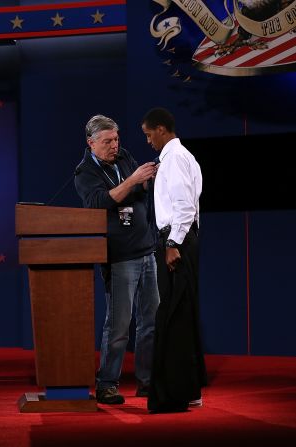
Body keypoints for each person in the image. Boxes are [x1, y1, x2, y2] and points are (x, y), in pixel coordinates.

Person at [74, 115, 160, 404]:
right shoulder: (85, 172)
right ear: (91, 143)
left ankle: (147, 382)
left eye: (116, 140)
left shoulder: (124, 157)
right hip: (119, 256)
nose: (114, 146)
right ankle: (107, 383)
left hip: (146, 250)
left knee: (150, 322)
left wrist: (148, 181)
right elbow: (99, 203)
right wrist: (134, 180)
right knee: (120, 325)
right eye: (108, 141)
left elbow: (138, 191)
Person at [141, 107, 207, 412]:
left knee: (173, 315)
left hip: (176, 241)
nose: (148, 140)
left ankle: (175, 393)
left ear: (162, 129)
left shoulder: (176, 159)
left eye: (148, 133)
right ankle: (188, 388)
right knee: (181, 314)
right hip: (180, 240)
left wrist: (171, 243)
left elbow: (184, 207)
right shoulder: (177, 158)